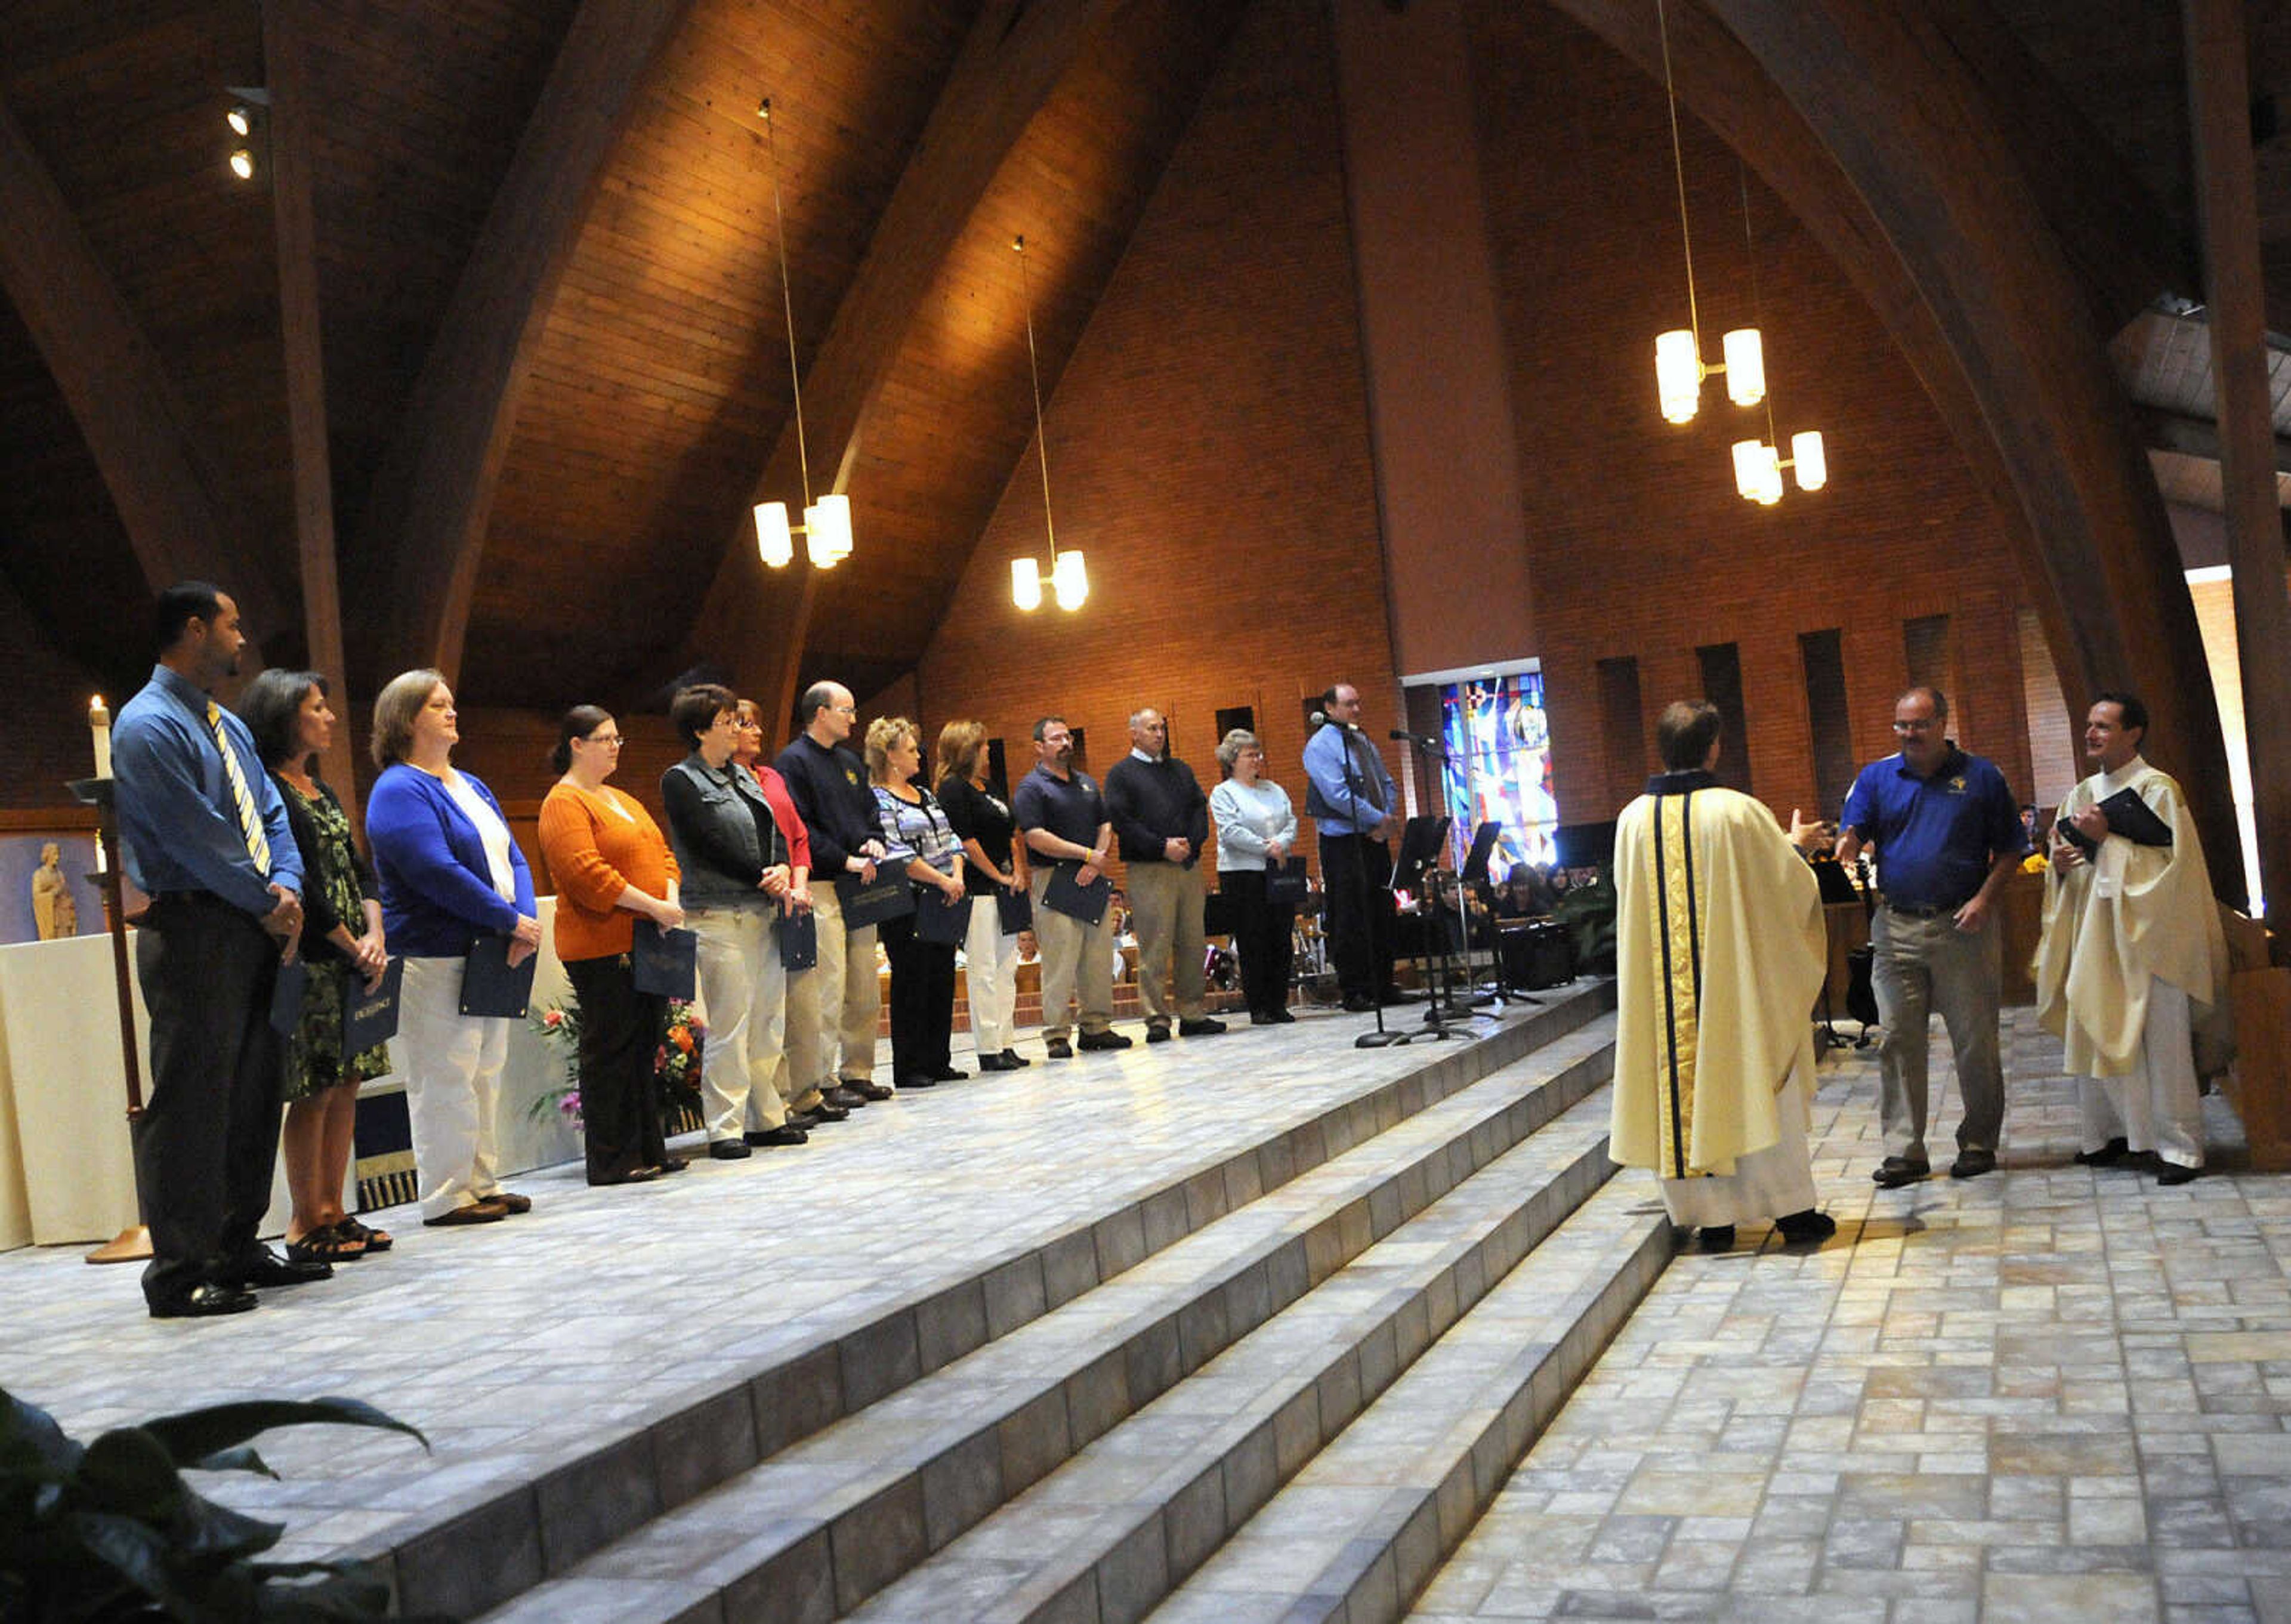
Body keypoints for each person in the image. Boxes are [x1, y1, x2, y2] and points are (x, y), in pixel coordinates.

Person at [110, 582, 315, 1317]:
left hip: (254, 924)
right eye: (233, 626)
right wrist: (269, 900)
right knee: (194, 1102)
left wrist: (286, 884)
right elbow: (194, 834)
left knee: (256, 1092)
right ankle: (178, 1268)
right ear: (194, 630)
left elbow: (271, 815)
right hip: (196, 927)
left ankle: (235, 1244)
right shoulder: (146, 725)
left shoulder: (226, 725)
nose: (241, 639)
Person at [1610, 701, 1836, 1249]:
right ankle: (1791, 1212)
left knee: (1686, 1090)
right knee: (1758, 1079)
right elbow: (1781, 890)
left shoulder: (1631, 819)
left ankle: (1713, 1221)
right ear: (1714, 747)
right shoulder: (1738, 812)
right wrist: (1799, 850)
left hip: (1669, 1002)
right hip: (1736, 992)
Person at [2034, 693, 2233, 1185]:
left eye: (2103, 725)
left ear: (2134, 733)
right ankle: (2113, 1135)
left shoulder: (2159, 790)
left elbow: (2177, 871)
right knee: (2096, 1025)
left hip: (2151, 938)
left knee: (2161, 1045)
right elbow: (2068, 864)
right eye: (2089, 725)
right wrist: (2060, 868)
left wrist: (2108, 842)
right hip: (2095, 934)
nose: (2091, 734)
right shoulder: (2080, 794)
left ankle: (2180, 1149)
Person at [366, 669, 539, 1225]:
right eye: (438, 705)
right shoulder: (398, 788)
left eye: (451, 703)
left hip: (491, 947)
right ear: (405, 719)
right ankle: (446, 1193)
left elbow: (513, 855)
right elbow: (433, 871)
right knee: (445, 1075)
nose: (452, 712)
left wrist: (525, 919)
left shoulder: (470, 783)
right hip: (434, 953)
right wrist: (507, 918)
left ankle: (481, 1182)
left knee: (487, 1069)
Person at [1836, 685, 2028, 1186]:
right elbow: (1854, 829)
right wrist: (1846, 842)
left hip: (1963, 926)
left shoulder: (1982, 777)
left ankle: (1979, 1141)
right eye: (1901, 725)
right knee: (1898, 1038)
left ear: (1943, 722)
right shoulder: (1878, 777)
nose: (1909, 734)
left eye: (1919, 725)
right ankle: (1905, 1151)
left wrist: (1985, 900)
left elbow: (2012, 849)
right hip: (1896, 925)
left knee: (1975, 1041)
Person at [240, 668, 394, 1264]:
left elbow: (360, 871)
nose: (330, 717)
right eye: (317, 708)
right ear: (284, 716)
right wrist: (349, 942)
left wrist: (375, 932)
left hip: (355, 952)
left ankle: (334, 1206)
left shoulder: (321, 790)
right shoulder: (271, 789)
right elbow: (300, 878)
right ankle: (304, 1219)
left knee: (349, 1082)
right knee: (315, 1088)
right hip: (310, 954)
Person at [539, 705, 686, 1184]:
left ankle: (649, 1149)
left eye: (618, 738)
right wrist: (653, 907)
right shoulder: (564, 802)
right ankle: (612, 1160)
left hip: (647, 934)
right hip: (601, 943)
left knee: (645, 1046)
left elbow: (663, 853)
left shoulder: (621, 797)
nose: (615, 746)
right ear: (576, 745)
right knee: (612, 1050)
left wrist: (670, 898)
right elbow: (587, 875)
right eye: (605, 738)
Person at [661, 684, 808, 1159]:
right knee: (731, 1021)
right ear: (701, 730)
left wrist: (782, 868)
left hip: (762, 910)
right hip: (718, 913)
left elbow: (775, 831)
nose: (738, 729)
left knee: (768, 1018)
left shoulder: (744, 778)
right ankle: (725, 1126)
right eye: (728, 722)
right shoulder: (682, 780)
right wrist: (762, 875)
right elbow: (706, 841)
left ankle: (765, 1116)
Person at [774, 682, 893, 1107]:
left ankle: (857, 1069)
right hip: (824, 881)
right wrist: (845, 859)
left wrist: (873, 841)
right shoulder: (793, 762)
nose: (854, 718)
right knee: (829, 984)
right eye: (847, 710)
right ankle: (822, 1078)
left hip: (860, 883)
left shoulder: (849, 762)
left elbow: (869, 812)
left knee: (864, 984)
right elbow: (800, 827)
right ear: (820, 713)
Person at [734, 699, 839, 1128]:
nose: (757, 731)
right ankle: (773, 1100)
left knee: (804, 1004)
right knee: (768, 1008)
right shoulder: (726, 783)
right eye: (745, 724)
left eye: (759, 723)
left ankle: (807, 1091)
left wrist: (799, 883)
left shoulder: (772, 776)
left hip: (795, 898)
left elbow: (798, 836)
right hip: (757, 900)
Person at [1106, 708, 1225, 1043]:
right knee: (1155, 945)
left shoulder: (1180, 770)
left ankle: (1192, 1012)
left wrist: (1192, 843)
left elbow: (1198, 808)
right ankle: (1156, 1018)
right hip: (1150, 869)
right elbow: (1122, 821)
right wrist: (1162, 847)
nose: (1159, 734)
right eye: (1151, 728)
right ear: (1134, 734)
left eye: (1162, 728)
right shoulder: (1121, 775)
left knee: (1192, 942)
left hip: (1187, 867)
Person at [1014, 715, 1129, 1058]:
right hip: (1054, 879)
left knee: (1097, 954)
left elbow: (1105, 823)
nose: (1065, 744)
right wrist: (1088, 854)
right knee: (1061, 961)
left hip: (1091, 878)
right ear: (1039, 746)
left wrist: (1097, 859)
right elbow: (1035, 836)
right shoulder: (1032, 787)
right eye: (1056, 739)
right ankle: (1057, 1035)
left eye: (1068, 737)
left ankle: (1097, 1028)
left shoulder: (1088, 784)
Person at [867, 717, 967, 1089]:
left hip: (944, 893)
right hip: (909, 898)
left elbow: (952, 837)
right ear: (890, 756)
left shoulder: (925, 795)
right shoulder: (878, 798)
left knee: (942, 975)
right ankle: (910, 1065)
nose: (918, 757)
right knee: (913, 978)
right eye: (911, 751)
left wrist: (955, 875)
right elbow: (895, 850)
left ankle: (938, 1058)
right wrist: (939, 878)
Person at [936, 720, 1030, 1072]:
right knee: (984, 969)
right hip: (978, 889)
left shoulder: (989, 786)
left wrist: (1017, 871)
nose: (989, 751)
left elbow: (1010, 833)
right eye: (983, 745)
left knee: (1008, 967)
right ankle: (988, 1046)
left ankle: (1007, 1041)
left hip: (1006, 888)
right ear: (967, 749)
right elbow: (966, 842)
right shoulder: (953, 789)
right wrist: (997, 875)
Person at [1301, 683, 1400, 1012]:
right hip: (1343, 841)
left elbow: (1385, 782)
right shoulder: (1320, 746)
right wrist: (1377, 820)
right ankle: (1355, 989)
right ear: (1329, 708)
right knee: (1351, 914)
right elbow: (1336, 795)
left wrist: (1384, 818)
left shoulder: (1362, 741)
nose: (1356, 710)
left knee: (1381, 910)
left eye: (1358, 703)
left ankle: (1383, 984)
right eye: (1348, 704)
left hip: (1374, 837)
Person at [1209, 728, 1298, 1026]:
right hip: (1242, 874)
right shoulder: (1224, 793)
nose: (1257, 759)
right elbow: (1231, 831)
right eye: (1250, 755)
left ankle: (1278, 1003)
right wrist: (1266, 848)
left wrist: (1280, 845)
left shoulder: (1273, 789)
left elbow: (1291, 822)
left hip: (1277, 870)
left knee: (1281, 939)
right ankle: (1259, 1006)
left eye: (1258, 754)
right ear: (1232, 760)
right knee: (1254, 939)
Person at [30, 841, 76, 939]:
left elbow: (66, 893)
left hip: (64, 916)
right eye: (55, 854)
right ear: (47, 855)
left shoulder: (60, 874)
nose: (57, 857)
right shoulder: (39, 874)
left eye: (58, 854)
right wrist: (52, 895)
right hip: (51, 919)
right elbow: (37, 897)